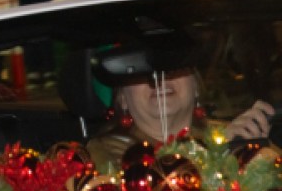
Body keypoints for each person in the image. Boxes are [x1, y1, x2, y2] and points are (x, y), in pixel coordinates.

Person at [86, 41, 275, 170]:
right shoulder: (101, 152)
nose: (159, 79)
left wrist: (255, 151)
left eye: (173, 67)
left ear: (195, 87)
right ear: (122, 99)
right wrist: (219, 154)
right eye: (141, 71)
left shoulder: (232, 134)